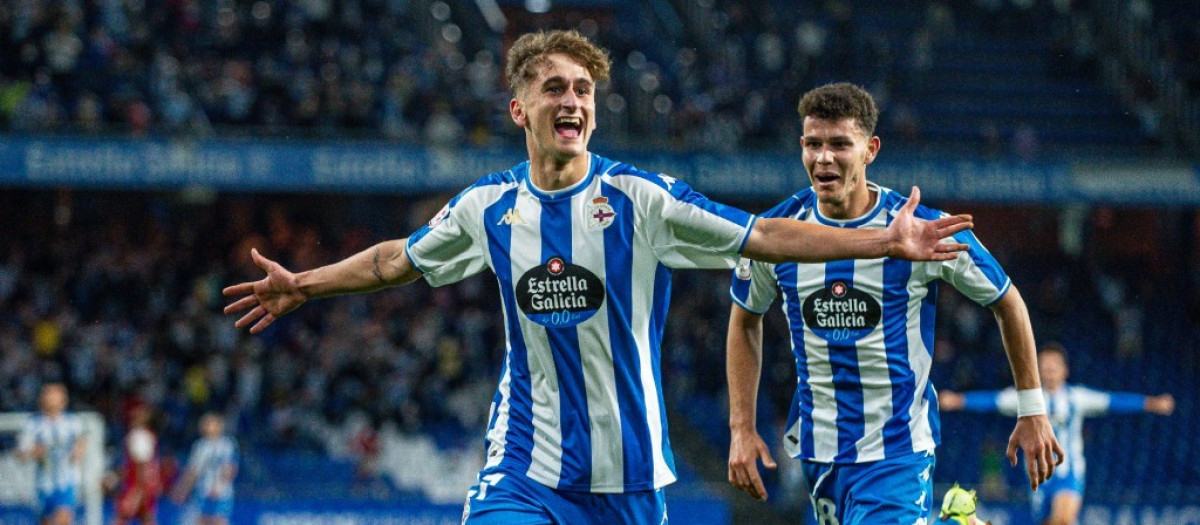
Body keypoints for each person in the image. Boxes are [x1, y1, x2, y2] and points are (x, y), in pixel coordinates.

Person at [222, 30, 974, 524]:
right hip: (526, 463)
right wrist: (305, 284)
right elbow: (396, 260)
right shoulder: (488, 208)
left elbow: (764, 234)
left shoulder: (642, 200)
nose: (573, 101)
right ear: (520, 108)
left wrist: (882, 238)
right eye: (555, 88)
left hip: (632, 474)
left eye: (583, 90)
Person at [724, 82, 1063, 524]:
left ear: (871, 150)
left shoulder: (924, 228)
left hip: (897, 450)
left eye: (840, 145)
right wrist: (741, 427)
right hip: (819, 451)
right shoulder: (777, 234)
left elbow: (1007, 300)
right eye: (813, 144)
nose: (824, 157)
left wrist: (1033, 408)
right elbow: (744, 319)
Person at [939, 343, 1175, 525]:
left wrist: (1151, 403)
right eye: (1045, 366)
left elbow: (1114, 401)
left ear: (1065, 370)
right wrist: (957, 400)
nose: (1049, 371)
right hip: (1038, 479)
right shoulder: (1024, 398)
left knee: (1062, 519)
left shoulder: (1077, 398)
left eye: (1054, 366)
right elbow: (992, 400)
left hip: (1069, 473)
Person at [16, 383, 86, 525]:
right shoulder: (32, 424)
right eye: (48, 395)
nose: (51, 399)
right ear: (42, 399)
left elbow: (82, 442)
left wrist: (78, 451)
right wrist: (34, 452)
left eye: (56, 396)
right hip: (43, 484)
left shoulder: (73, 422)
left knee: (63, 518)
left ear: (63, 400)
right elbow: (20, 454)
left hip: (67, 482)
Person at [171, 413, 238, 525]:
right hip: (203, 491)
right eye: (204, 423)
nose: (204, 426)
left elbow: (231, 468)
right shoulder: (200, 446)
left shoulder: (227, 444)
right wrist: (182, 490)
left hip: (223, 493)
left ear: (218, 426)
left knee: (219, 521)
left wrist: (219, 484)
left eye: (208, 423)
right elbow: (192, 471)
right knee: (201, 520)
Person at [114, 406, 163, 525]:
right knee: (146, 516)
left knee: (123, 515)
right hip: (145, 484)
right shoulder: (147, 435)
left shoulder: (139, 435)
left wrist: (138, 489)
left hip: (137, 484)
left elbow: (142, 463)